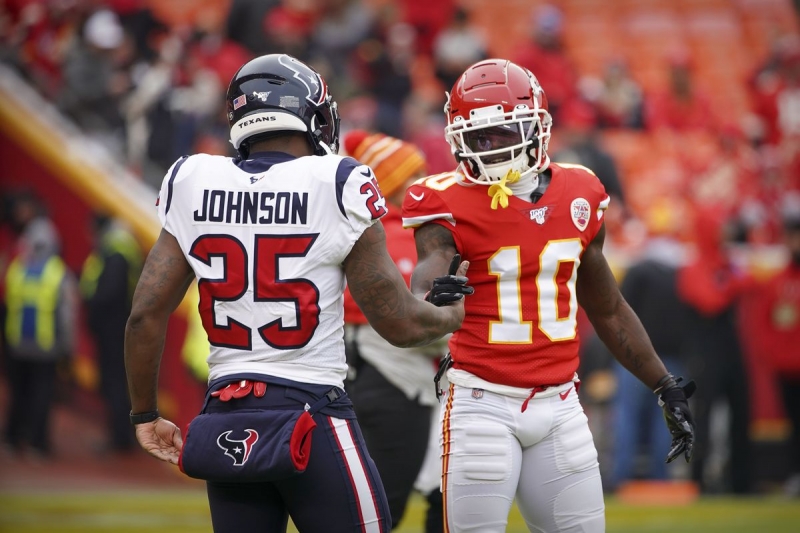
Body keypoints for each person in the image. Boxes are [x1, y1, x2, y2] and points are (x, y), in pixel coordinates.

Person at [124, 53, 470, 533]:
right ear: (312, 116)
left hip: (226, 414)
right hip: (313, 409)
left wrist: (144, 413)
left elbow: (144, 316)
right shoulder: (338, 181)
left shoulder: (193, 179)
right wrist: (451, 316)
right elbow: (399, 323)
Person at [401, 58, 696, 532]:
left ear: (537, 125)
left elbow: (608, 307)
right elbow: (425, 278)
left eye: (503, 132)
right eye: (479, 137)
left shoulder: (580, 192)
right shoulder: (443, 201)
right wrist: (430, 298)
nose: (492, 147)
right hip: (481, 401)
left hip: (561, 404)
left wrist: (664, 384)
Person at [342, 130, 445, 531]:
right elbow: (410, 322)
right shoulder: (386, 237)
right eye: (411, 175)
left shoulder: (416, 231)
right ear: (387, 184)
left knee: (444, 499)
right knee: (382, 507)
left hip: (423, 383)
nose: (423, 181)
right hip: (394, 379)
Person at [676, 207, 752, 494]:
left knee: (741, 413)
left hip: (731, 349)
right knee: (703, 416)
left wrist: (732, 281)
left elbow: (747, 282)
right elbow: (710, 302)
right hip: (705, 353)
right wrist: (734, 283)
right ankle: (698, 480)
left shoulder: (727, 264)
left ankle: (741, 482)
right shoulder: (694, 268)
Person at [3, 215, 77, 457]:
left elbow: (9, 304)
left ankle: (13, 438)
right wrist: (68, 349)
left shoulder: (18, 268)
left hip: (17, 343)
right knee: (41, 396)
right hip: (46, 346)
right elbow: (67, 316)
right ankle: (37, 443)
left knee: (18, 393)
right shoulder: (58, 273)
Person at [79, 214, 142, 453]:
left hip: (112, 326)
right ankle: (122, 436)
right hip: (120, 324)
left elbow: (110, 291)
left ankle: (120, 438)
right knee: (119, 381)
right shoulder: (122, 247)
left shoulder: (115, 250)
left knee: (113, 381)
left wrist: (93, 305)